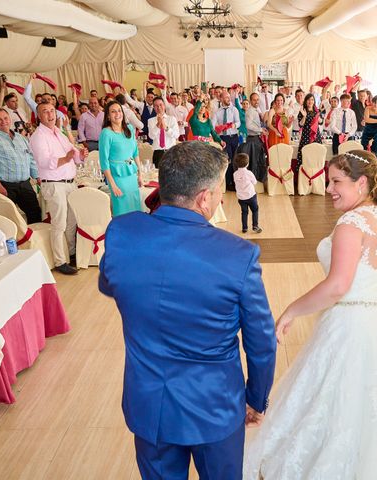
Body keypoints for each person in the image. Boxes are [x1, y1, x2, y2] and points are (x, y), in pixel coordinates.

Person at [244, 150, 377, 479]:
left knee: (341, 403)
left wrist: (291, 310)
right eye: (330, 181)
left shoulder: (351, 223)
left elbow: (337, 286)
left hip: (355, 327)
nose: (329, 188)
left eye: (336, 182)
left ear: (361, 183)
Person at [99, 141, 277, 480]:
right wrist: (256, 398)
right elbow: (262, 341)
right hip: (214, 407)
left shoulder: (121, 233)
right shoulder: (238, 255)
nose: (221, 198)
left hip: (149, 402)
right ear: (204, 198)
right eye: (219, 190)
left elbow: (110, 284)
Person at [30, 102, 88, 275]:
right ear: (39, 116)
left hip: (70, 182)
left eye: (52, 111)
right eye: (45, 112)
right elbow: (44, 162)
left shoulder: (59, 133)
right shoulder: (39, 136)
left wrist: (80, 155)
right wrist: (67, 158)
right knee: (59, 223)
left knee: (71, 221)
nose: (50, 114)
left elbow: (73, 154)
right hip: (54, 185)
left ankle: (70, 253)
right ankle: (59, 260)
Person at [0, 108, 42, 224]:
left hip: (24, 184)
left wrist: (38, 177)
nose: (3, 121)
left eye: (5, 118)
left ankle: (33, 239)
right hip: (4, 186)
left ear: (10, 119)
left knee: (35, 212)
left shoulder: (20, 138)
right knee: (8, 219)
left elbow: (31, 159)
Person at [99, 101, 143, 216]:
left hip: (131, 174)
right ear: (108, 116)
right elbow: (104, 162)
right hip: (117, 177)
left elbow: (135, 152)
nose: (117, 114)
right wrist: (112, 185)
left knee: (135, 206)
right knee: (122, 209)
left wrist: (140, 174)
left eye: (119, 110)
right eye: (113, 111)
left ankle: (135, 232)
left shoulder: (129, 128)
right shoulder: (106, 133)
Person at [236, 92, 267, 183]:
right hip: (252, 140)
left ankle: (256, 182)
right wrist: (261, 130)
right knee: (254, 162)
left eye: (257, 99)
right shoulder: (250, 111)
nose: (256, 101)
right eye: (254, 100)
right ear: (250, 101)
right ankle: (253, 183)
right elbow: (248, 125)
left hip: (256, 138)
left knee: (257, 161)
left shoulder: (256, 110)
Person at [213, 91, 241, 188]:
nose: (228, 99)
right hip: (223, 139)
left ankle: (235, 182)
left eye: (229, 97)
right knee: (227, 160)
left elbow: (239, 123)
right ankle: (229, 183)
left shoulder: (234, 110)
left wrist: (234, 125)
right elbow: (212, 126)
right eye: (226, 97)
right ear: (221, 99)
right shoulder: (217, 112)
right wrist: (218, 128)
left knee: (235, 160)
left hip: (234, 137)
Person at [233, 152, 261, 234]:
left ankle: (244, 228)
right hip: (251, 196)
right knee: (255, 210)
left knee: (244, 212)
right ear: (247, 164)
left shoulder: (235, 174)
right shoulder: (249, 173)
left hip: (241, 198)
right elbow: (255, 182)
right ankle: (255, 226)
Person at [147, 97, 179, 167]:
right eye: (156, 106)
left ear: (164, 106)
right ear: (153, 107)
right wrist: (158, 124)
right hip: (158, 152)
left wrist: (166, 127)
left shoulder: (172, 119)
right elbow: (151, 136)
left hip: (171, 151)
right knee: (158, 175)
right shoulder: (151, 121)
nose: (159, 107)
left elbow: (176, 135)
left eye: (160, 105)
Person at [295, 93, 321, 171]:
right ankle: (305, 177)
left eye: (312, 99)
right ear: (306, 101)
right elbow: (300, 124)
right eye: (309, 100)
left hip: (316, 136)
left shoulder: (316, 111)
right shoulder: (302, 111)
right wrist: (304, 116)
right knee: (306, 159)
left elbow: (321, 122)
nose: (310, 101)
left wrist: (319, 117)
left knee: (316, 158)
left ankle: (315, 175)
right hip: (306, 137)